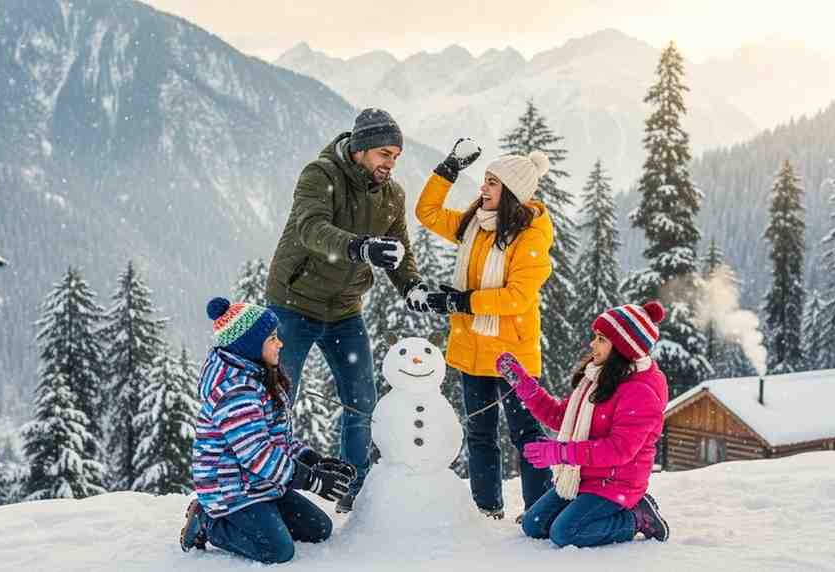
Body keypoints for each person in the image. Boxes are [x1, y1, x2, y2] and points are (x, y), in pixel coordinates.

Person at [265, 108, 428, 513]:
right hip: (293, 304)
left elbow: (398, 248)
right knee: (278, 399)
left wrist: (413, 288)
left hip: (344, 310)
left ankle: (351, 492)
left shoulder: (392, 195)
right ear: (360, 148)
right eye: (384, 154)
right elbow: (311, 229)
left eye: (396, 156)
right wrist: (359, 246)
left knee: (361, 401)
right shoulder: (319, 176)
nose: (390, 164)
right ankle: (270, 487)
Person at [414, 139, 555, 520]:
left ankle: (540, 511)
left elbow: (516, 298)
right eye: (486, 179)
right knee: (479, 436)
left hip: (513, 355)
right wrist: (448, 169)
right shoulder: (475, 225)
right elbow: (426, 212)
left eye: (492, 182)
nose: (483, 188)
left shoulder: (531, 238)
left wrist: (464, 301)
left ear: (510, 192)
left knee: (525, 434)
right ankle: (486, 509)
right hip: (472, 350)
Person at [179, 297, 356, 564]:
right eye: (272, 338)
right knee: (277, 551)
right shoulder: (235, 391)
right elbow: (257, 455)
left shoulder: (257, 375)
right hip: (231, 490)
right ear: (250, 345)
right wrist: (311, 480)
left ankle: (263, 512)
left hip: (261, 483)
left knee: (319, 529)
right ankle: (207, 521)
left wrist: (313, 460)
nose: (280, 343)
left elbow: (274, 437)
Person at [496, 301, 671, 548]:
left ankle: (636, 517)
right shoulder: (598, 377)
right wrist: (526, 387)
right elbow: (559, 415)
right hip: (582, 477)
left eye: (601, 339)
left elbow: (619, 450)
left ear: (622, 347)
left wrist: (561, 453)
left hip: (616, 482)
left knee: (565, 533)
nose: (592, 344)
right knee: (533, 525)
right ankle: (580, 512)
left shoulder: (640, 391)